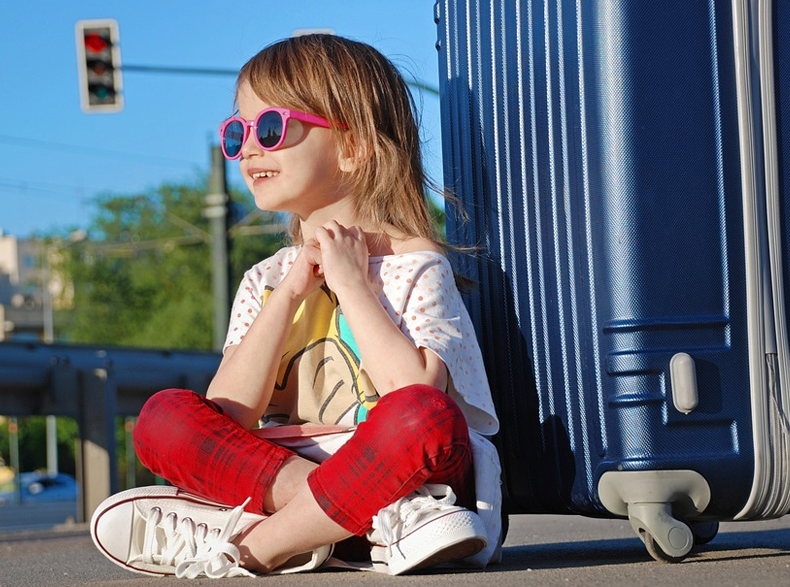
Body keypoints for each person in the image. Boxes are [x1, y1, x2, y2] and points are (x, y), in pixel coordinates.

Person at [89, 33, 501, 579]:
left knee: (422, 417)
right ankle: (334, 524)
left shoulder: (414, 265)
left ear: (353, 147)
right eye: (237, 132)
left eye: (270, 128)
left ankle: (251, 546)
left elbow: (416, 398)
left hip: (422, 490)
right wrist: (287, 296)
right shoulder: (266, 279)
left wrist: (353, 287)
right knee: (163, 418)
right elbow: (230, 410)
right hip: (357, 502)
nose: (248, 148)